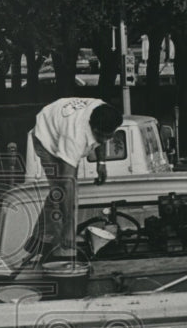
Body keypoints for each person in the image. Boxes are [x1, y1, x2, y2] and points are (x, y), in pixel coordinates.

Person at [23, 98, 123, 264]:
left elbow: (103, 139)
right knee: (61, 192)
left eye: (110, 135)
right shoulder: (75, 135)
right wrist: (70, 229)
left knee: (63, 193)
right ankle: (61, 250)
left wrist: (102, 163)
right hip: (46, 138)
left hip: (60, 123)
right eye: (103, 135)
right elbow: (67, 185)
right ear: (93, 128)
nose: (106, 139)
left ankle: (39, 240)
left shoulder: (102, 110)